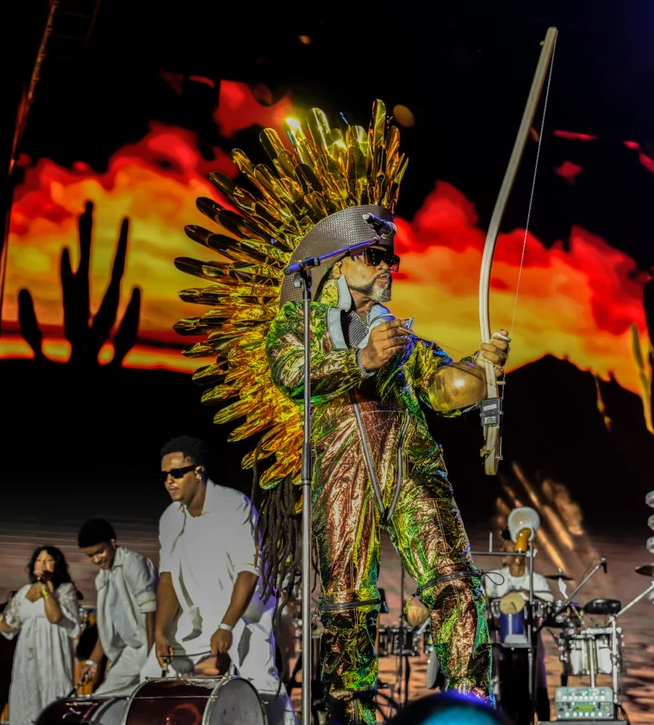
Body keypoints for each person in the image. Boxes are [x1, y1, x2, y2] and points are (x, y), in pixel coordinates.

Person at [172, 102, 511, 725]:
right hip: (341, 475)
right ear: (338, 262)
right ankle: (350, 718)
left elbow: (442, 387)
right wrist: (359, 360)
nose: (388, 268)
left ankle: (472, 708)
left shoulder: (399, 337)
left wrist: (480, 371)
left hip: (410, 467)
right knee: (345, 607)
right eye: (375, 256)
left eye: (391, 259)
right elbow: (290, 373)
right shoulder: (300, 324)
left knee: (455, 583)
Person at [143, 436, 295, 725]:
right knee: (153, 673)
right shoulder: (169, 518)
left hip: (244, 616)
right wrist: (161, 633)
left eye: (177, 473)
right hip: (196, 618)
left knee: (261, 684)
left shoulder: (234, 505)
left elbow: (248, 571)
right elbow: (168, 580)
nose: (169, 481)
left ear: (199, 472)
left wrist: (226, 626)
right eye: (164, 476)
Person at [0, 545, 80, 725]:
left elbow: (55, 616)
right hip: (27, 659)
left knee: (52, 702)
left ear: (57, 565)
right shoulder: (24, 592)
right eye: (39, 560)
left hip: (52, 657)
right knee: (27, 703)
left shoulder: (65, 590)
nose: (43, 564)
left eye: (49, 560)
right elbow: (9, 626)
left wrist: (45, 589)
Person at [77, 518, 157, 696]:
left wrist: (152, 657)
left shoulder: (133, 563)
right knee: (101, 698)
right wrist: (92, 662)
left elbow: (150, 610)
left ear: (112, 542)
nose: (96, 559)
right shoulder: (102, 578)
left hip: (152, 646)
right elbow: (107, 627)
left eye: (100, 552)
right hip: (132, 650)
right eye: (90, 556)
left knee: (150, 699)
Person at [483, 531, 554, 725]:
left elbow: (549, 606)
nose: (508, 553)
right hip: (500, 645)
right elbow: (484, 605)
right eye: (508, 550)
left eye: (514, 549)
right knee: (501, 688)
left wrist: (528, 594)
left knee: (537, 686)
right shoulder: (494, 578)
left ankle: (543, 720)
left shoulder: (536, 581)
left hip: (531, 645)